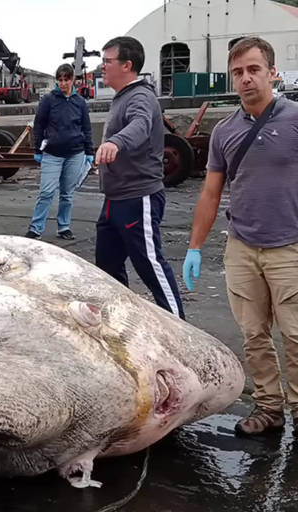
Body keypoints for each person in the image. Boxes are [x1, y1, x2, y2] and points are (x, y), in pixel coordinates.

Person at [183, 37, 298, 436]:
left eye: (253, 69)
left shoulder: (295, 119)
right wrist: (194, 247)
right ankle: (269, 407)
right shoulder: (224, 131)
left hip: (291, 245)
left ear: (271, 72)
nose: (246, 79)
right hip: (242, 247)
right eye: (238, 72)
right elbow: (211, 192)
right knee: (254, 335)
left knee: (297, 335)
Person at [94, 36, 184, 319]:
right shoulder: (122, 98)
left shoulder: (141, 97)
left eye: (108, 61)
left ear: (127, 65)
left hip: (138, 196)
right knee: (106, 265)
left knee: (149, 264)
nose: (102, 67)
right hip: (115, 198)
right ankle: (121, 321)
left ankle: (180, 328)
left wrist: (115, 142)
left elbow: (140, 126)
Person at [26, 63, 94, 241]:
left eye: (66, 79)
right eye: (60, 79)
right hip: (52, 153)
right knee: (47, 191)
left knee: (67, 193)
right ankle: (36, 227)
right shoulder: (48, 100)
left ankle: (64, 226)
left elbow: (86, 128)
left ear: (73, 80)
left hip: (75, 153)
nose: (63, 83)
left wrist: (89, 151)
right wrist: (38, 148)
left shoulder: (80, 102)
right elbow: (39, 124)